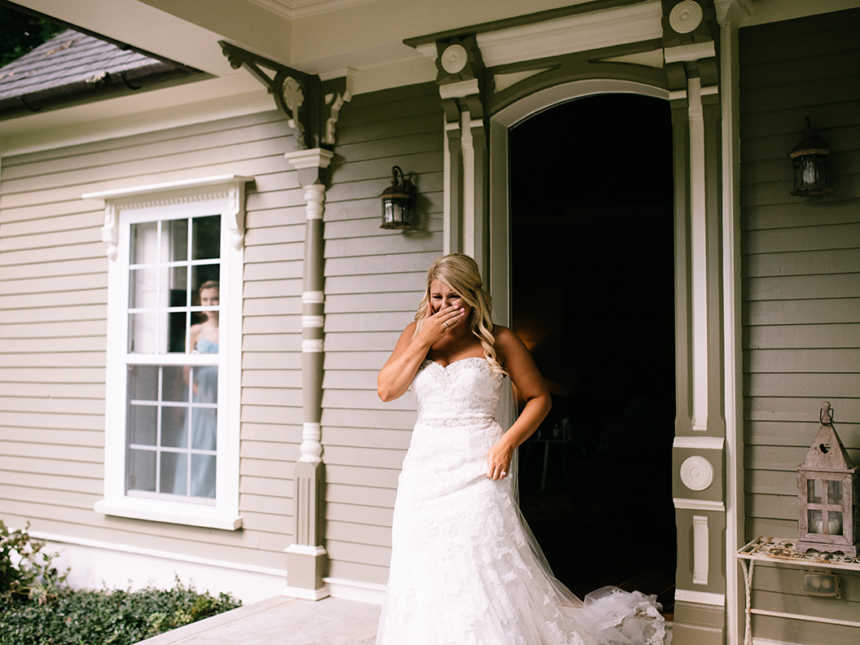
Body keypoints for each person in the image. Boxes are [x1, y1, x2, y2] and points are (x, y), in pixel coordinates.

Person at [375, 254, 667, 645]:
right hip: (424, 466)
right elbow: (387, 390)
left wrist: (507, 443)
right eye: (437, 298)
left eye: (454, 297)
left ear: (472, 297)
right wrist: (423, 339)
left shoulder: (500, 338)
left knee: (478, 559)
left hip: (480, 462)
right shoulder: (415, 333)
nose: (444, 307)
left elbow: (539, 398)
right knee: (422, 559)